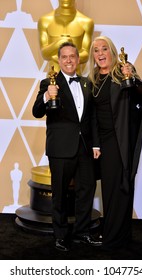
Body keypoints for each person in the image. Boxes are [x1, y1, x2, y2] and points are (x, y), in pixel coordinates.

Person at [32, 42, 101, 252]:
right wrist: (46, 95)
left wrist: (96, 144)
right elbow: (36, 111)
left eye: (72, 56)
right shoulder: (49, 83)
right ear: (59, 60)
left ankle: (82, 233)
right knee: (60, 194)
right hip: (61, 149)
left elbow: (91, 118)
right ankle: (60, 236)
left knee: (86, 191)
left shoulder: (87, 83)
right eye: (65, 57)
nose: (69, 60)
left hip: (85, 148)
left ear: (78, 59)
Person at [88, 36, 142, 251]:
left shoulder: (122, 72)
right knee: (108, 189)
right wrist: (95, 144)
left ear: (112, 52)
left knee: (119, 187)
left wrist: (131, 77)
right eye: (96, 50)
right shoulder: (94, 78)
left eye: (104, 49)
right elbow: (92, 115)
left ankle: (114, 237)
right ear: (93, 56)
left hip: (119, 140)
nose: (101, 53)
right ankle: (114, 233)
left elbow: (140, 94)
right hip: (102, 142)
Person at [38, 0, 94, 74]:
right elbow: (44, 54)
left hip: (75, 78)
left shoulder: (86, 22)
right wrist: (59, 43)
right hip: (53, 78)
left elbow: (86, 55)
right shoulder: (45, 21)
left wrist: (64, 57)